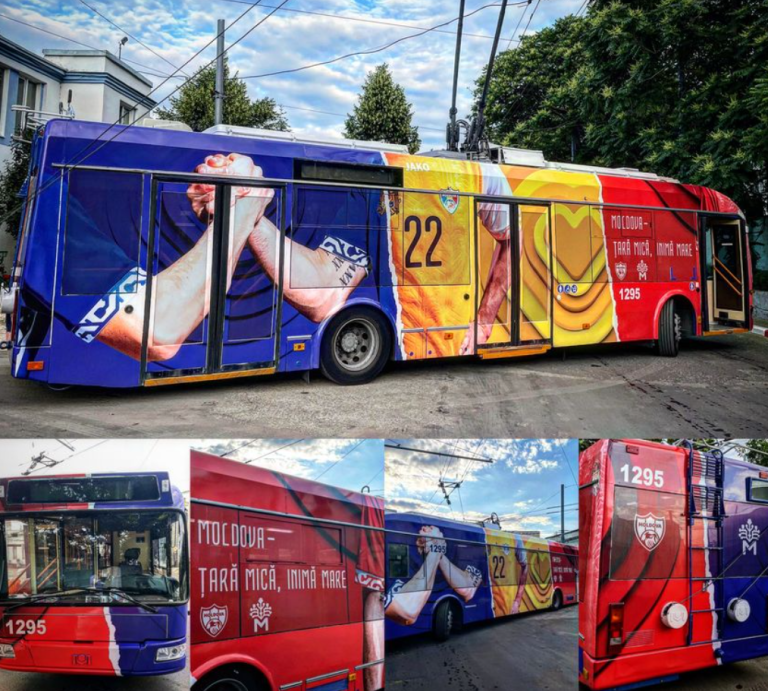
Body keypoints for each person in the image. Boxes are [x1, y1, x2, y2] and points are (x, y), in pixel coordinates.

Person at [384, 525, 483, 626]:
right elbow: (407, 609)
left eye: (429, 527)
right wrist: (436, 549)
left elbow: (468, 589)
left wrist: (435, 550)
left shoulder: (459, 544)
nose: (424, 528)